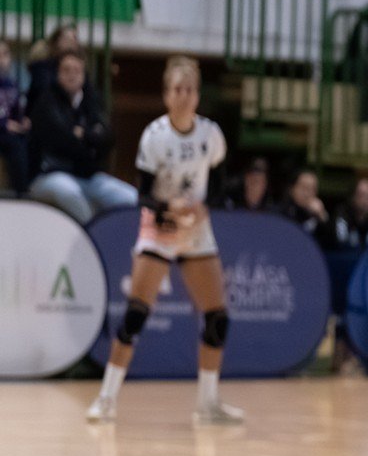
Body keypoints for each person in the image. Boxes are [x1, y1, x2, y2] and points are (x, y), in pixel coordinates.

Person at [87, 58, 243, 426]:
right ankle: (106, 398)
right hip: (159, 228)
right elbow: (142, 196)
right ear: (166, 94)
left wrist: (204, 209)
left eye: (189, 90)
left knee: (217, 318)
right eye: (177, 90)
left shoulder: (210, 135)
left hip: (195, 230)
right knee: (137, 313)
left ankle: (208, 403)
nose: (184, 96)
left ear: (197, 95)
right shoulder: (155, 136)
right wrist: (167, 208)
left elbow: (219, 187)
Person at [28, 51, 135, 223]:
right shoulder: (46, 102)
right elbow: (62, 139)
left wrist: (83, 134)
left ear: (84, 75)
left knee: (129, 198)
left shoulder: (91, 101)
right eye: (66, 70)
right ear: (57, 74)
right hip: (49, 174)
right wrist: (90, 139)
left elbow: (108, 138)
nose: (72, 75)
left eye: (77, 70)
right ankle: (93, 239)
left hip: (87, 176)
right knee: (70, 193)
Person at [278, 168, 336, 249]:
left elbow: (333, 244)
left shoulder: (318, 215)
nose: (307, 193)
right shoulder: (281, 213)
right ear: (292, 189)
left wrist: (322, 216)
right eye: (304, 187)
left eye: (312, 189)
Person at [0, 41, 28, 194]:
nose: (1, 59)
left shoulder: (11, 84)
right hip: (3, 130)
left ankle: (26, 187)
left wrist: (22, 121)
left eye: (4, 54)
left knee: (25, 140)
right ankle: (21, 190)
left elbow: (17, 110)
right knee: (14, 143)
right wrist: (4, 124)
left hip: (10, 133)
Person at [334, 177, 368, 251]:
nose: (367, 199)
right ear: (353, 197)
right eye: (362, 195)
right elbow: (341, 244)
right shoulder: (344, 216)